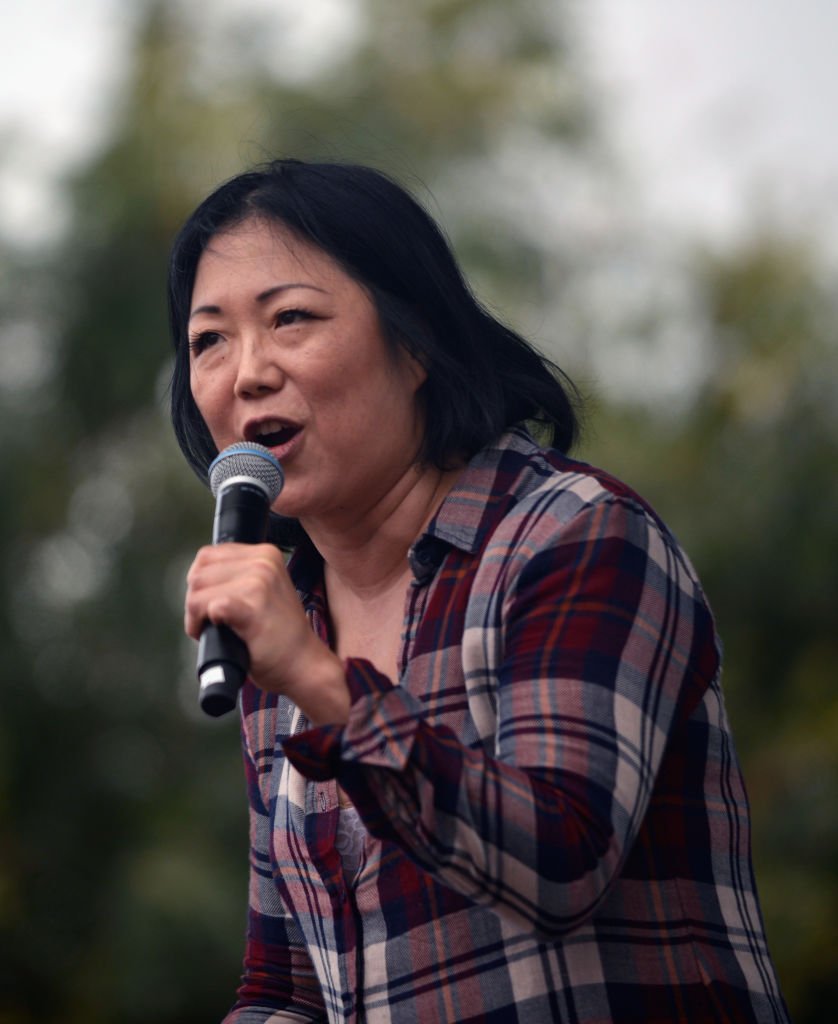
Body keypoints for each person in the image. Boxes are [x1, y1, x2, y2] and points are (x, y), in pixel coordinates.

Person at [169, 158, 789, 1023]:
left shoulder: (575, 536)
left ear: (415, 342)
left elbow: (562, 860)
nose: (247, 373)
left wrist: (322, 684)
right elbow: (289, 988)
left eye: (292, 319)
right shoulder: (287, 628)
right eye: (209, 340)